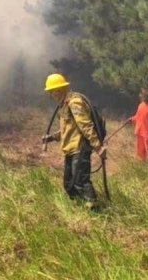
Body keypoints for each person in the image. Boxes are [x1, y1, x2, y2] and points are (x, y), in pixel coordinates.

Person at [41, 73, 103, 208]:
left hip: (80, 147)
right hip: (70, 148)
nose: (50, 95)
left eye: (51, 92)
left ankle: (94, 207)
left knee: (80, 181)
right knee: (69, 184)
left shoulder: (75, 102)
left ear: (58, 91)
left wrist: (97, 146)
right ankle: (79, 207)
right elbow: (68, 129)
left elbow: (85, 125)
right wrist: (51, 137)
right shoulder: (64, 105)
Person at [126, 88, 148, 160]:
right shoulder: (141, 105)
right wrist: (131, 119)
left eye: (143, 94)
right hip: (139, 131)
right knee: (140, 152)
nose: (141, 96)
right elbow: (138, 116)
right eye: (141, 94)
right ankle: (141, 168)